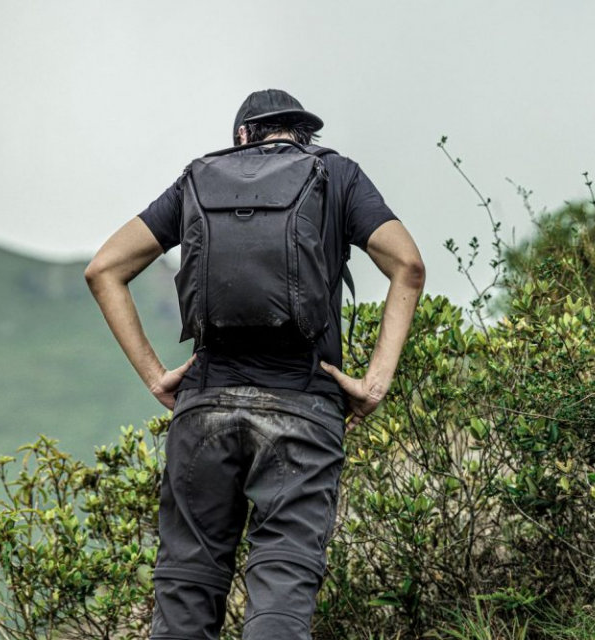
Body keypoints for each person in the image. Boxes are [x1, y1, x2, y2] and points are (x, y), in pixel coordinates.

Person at [84, 88, 425, 640]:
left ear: (243, 135)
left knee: (186, 591)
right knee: (280, 589)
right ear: (301, 135)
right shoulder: (338, 176)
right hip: (302, 410)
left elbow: (104, 269)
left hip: (204, 410)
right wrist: (374, 382)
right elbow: (407, 265)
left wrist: (155, 374)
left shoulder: (198, 178)